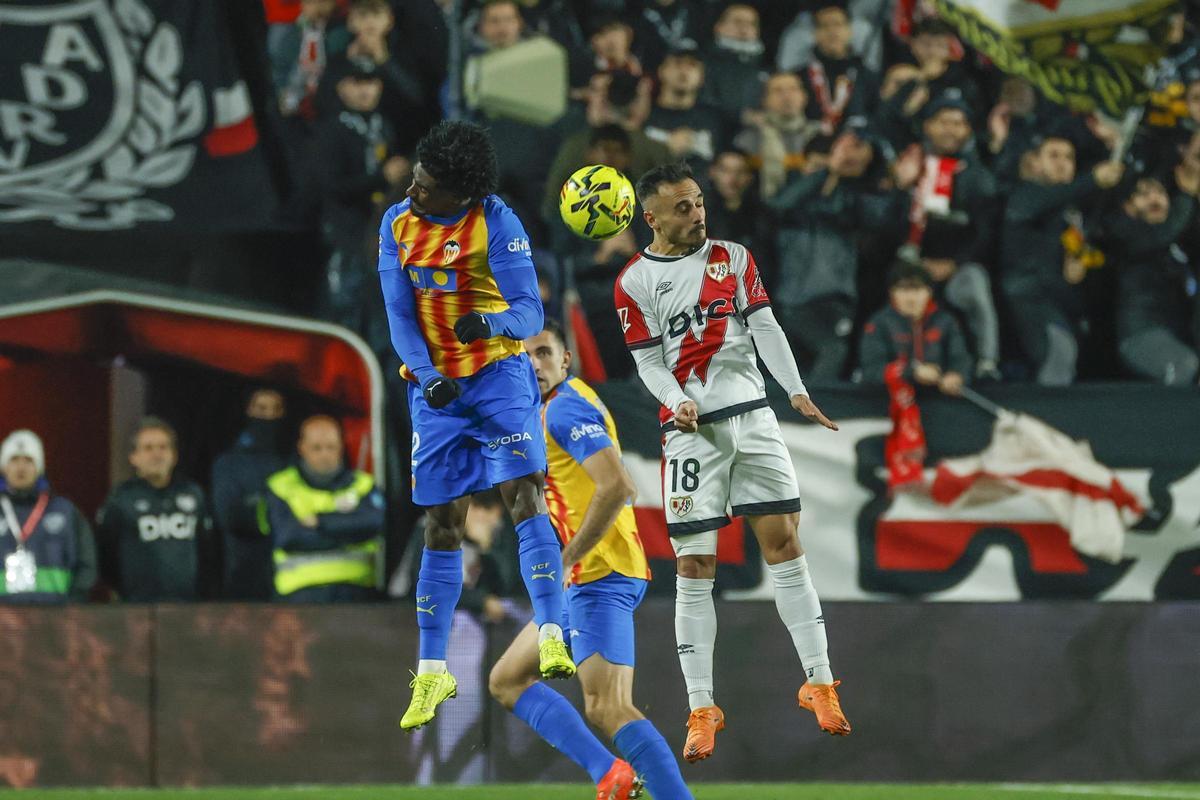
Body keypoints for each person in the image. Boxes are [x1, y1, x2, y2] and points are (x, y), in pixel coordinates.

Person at [613, 162, 851, 762]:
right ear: (653, 216)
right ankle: (701, 707)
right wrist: (677, 400)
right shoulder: (635, 282)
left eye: (698, 202)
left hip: (753, 416)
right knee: (694, 566)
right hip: (691, 435)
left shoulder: (733, 258)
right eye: (684, 207)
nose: (698, 214)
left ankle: (819, 682)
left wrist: (794, 390)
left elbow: (764, 326)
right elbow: (646, 360)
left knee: (785, 544)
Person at [377, 120, 571, 732]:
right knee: (442, 523)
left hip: (497, 379)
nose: (414, 189)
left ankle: (551, 631)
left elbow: (530, 312)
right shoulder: (395, 224)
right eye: (416, 176)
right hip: (436, 388)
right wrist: (424, 371)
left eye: (428, 185)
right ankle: (432, 669)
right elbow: (398, 312)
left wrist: (487, 327)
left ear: (460, 193)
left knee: (523, 496)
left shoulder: (496, 222)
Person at [489, 320, 692, 800]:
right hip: (589, 574)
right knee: (507, 680)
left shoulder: (563, 411)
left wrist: (566, 557)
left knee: (608, 707)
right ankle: (609, 773)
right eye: (523, 355)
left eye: (543, 353)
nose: (533, 363)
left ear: (565, 360)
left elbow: (619, 486)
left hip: (598, 572)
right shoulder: (555, 404)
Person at [1000, 134, 1124, 384]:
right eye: (1053, 155)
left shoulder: (1072, 210)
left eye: (1069, 157)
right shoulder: (1026, 193)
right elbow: (1024, 210)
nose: (1062, 163)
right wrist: (1093, 179)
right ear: (1034, 163)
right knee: (1059, 353)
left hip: (1059, 300)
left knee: (1067, 358)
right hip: (1029, 296)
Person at [894, 93, 1002, 380]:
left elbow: (987, 232)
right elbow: (884, 226)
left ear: (968, 131)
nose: (951, 129)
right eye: (944, 122)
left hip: (958, 266)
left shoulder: (978, 175)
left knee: (975, 284)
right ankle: (889, 367)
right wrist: (898, 187)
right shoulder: (909, 166)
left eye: (959, 123)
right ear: (928, 126)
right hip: (907, 264)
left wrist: (954, 263)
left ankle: (987, 362)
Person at [264, 415, 385, 602]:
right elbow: (288, 536)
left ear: (341, 448)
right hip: (299, 595)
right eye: (316, 448)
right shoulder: (281, 486)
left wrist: (320, 522)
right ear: (301, 448)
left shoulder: (363, 485)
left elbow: (374, 523)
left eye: (331, 447)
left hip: (357, 594)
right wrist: (351, 532)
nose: (324, 455)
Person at [96, 418, 215, 602]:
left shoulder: (193, 493)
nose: (156, 454)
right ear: (133, 457)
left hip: (187, 606)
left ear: (174, 455)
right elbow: (106, 554)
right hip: (137, 606)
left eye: (163, 447)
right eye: (148, 448)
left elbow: (208, 549)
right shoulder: (121, 498)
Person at [1108, 163, 1200, 384]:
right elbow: (1163, 234)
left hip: (1178, 336)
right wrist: (1187, 195)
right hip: (1141, 335)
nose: (1154, 199)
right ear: (1128, 205)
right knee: (1183, 364)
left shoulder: (1178, 243)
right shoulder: (1126, 234)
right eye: (1143, 194)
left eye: (1160, 192)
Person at [0, 430, 96, 603]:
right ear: (4, 467)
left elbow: (87, 563)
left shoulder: (65, 511)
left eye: (29, 460)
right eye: (14, 460)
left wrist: (72, 606)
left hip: (54, 619)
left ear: (39, 467)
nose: (21, 467)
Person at [211, 389, 288, 601]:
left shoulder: (291, 463)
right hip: (242, 577)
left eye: (275, 409)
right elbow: (229, 516)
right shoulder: (229, 464)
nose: (268, 416)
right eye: (261, 408)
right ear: (249, 410)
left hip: (288, 580)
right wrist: (277, 512)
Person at [858, 261, 972, 393]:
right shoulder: (878, 323)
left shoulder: (946, 321)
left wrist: (956, 375)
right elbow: (871, 371)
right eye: (904, 289)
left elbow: (961, 358)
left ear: (929, 292)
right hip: (888, 400)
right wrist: (912, 372)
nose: (911, 298)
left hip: (938, 399)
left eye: (917, 289)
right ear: (891, 292)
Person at [733, 72, 822, 199]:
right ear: (764, 100)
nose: (787, 96)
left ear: (804, 96)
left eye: (793, 89)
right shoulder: (746, 140)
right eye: (777, 91)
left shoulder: (820, 135)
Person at [796, 1, 879, 136]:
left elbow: (876, 119)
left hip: (853, 150)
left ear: (849, 31)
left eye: (838, 24)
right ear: (815, 34)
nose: (832, 31)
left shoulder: (868, 76)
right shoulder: (799, 77)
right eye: (825, 26)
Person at [644, 46, 724, 167]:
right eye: (678, 63)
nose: (684, 71)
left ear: (702, 77)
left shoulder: (714, 119)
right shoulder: (643, 113)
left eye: (692, 65)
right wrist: (667, 150)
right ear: (661, 71)